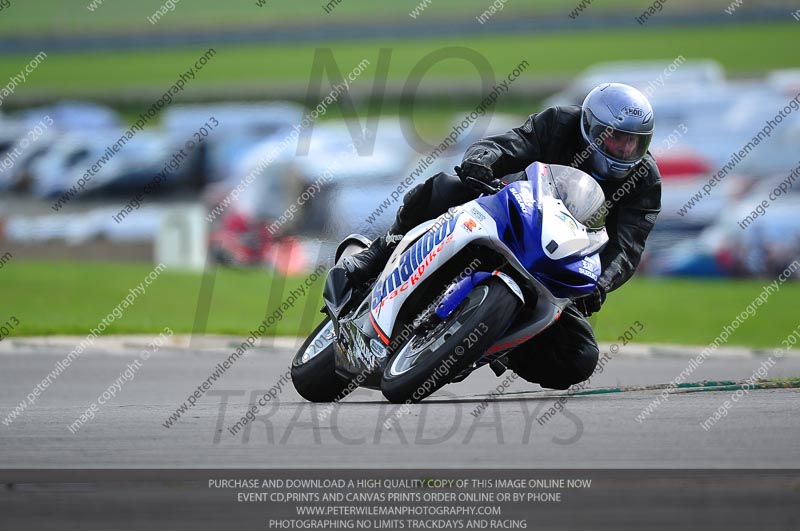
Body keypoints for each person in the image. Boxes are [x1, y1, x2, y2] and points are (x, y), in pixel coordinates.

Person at [341, 82, 661, 390]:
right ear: (589, 127)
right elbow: (510, 143)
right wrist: (483, 161)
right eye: (616, 138)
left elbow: (627, 247)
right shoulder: (559, 122)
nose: (624, 149)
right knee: (446, 187)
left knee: (580, 357)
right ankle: (380, 252)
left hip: (557, 263)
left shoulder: (644, 181)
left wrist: (600, 284)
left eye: (634, 142)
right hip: (510, 214)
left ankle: (498, 341)